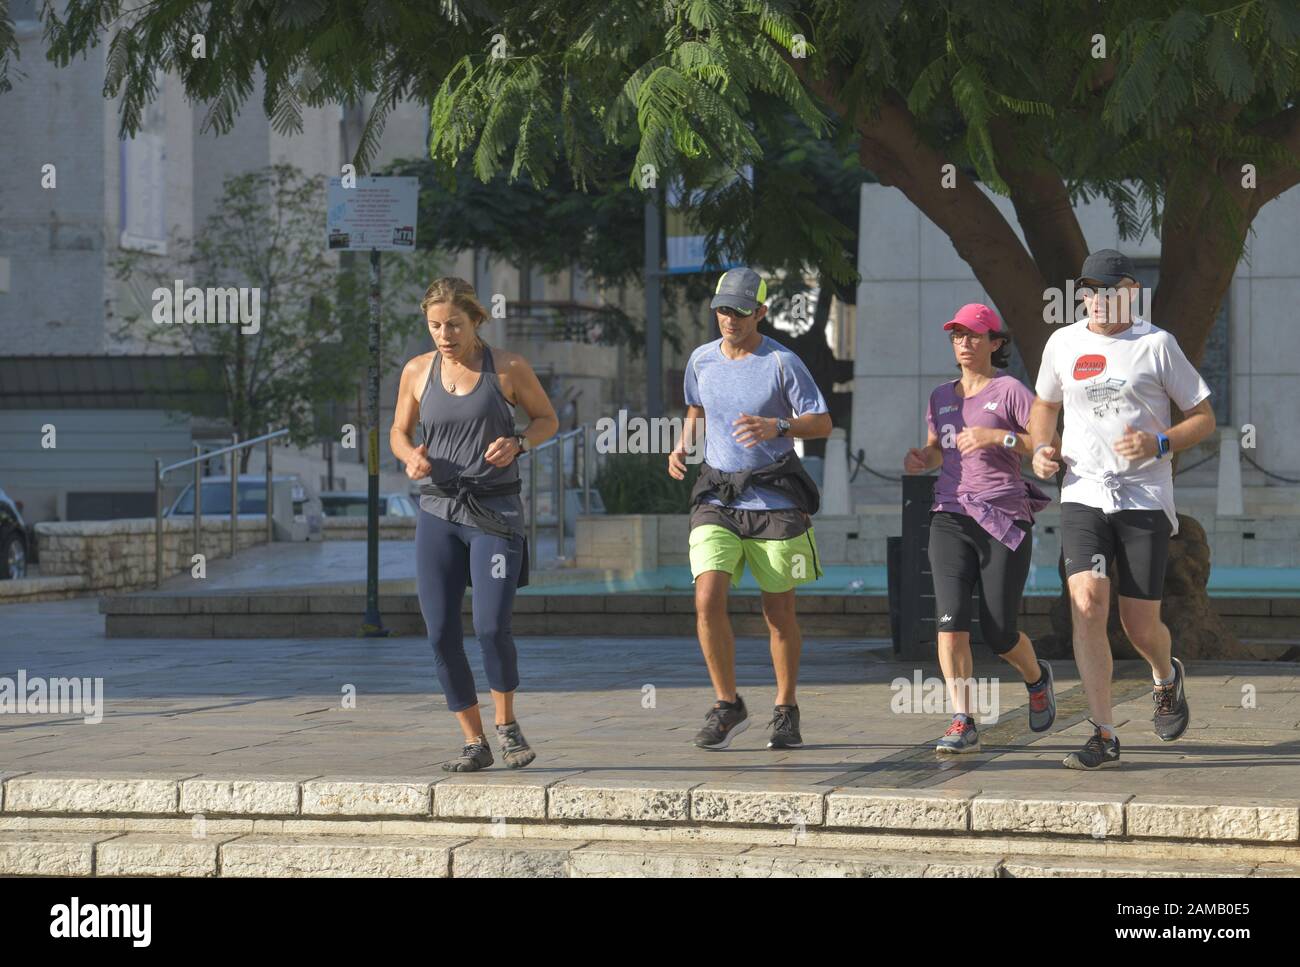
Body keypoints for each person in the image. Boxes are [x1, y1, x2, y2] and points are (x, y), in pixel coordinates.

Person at [1028, 249, 1216, 770]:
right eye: (1088, 289)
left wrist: (1160, 443)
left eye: (1107, 289)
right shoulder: (1063, 342)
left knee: (1138, 625)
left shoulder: (1156, 345)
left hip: (1143, 498)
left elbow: (1203, 418)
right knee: (1085, 604)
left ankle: (1164, 675)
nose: (1096, 298)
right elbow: (1044, 405)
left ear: (1131, 291)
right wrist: (1042, 447)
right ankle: (1103, 733)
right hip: (1084, 491)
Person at [390, 277, 558, 772]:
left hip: (495, 514)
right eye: (435, 326)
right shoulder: (418, 371)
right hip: (438, 511)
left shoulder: (507, 368)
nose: (444, 335)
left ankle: (507, 728)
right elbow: (399, 432)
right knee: (440, 633)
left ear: (476, 320)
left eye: (454, 325)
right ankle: (474, 740)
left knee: (489, 626)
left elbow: (546, 419)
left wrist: (520, 442)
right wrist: (408, 457)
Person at [667, 267, 832, 751]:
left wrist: (778, 426)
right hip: (717, 495)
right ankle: (727, 704)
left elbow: (821, 423)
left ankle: (785, 708)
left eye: (741, 311)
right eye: (722, 309)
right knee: (706, 598)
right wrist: (683, 447)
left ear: (760, 312)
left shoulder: (782, 362)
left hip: (774, 499)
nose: (729, 319)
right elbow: (697, 411)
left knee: (778, 612)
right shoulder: (700, 360)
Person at [904, 304, 1058, 753]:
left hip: (1003, 517)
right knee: (949, 624)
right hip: (950, 515)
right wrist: (923, 459)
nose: (965, 344)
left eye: (974, 336)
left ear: (995, 342)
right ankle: (962, 719)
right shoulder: (940, 396)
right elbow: (937, 449)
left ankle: (1036, 676)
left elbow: (1044, 445)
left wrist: (997, 437)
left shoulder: (1010, 391)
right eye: (957, 337)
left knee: (999, 631)